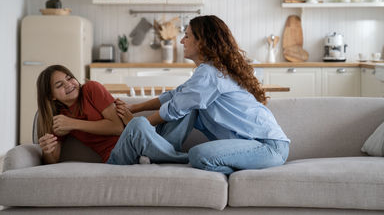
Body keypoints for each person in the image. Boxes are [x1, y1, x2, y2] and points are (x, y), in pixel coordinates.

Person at [117, 15, 290, 175]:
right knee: (186, 108)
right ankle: (156, 149)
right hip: (253, 144)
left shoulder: (209, 73)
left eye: (187, 36)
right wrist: (134, 108)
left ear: (202, 42)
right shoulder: (208, 71)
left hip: (267, 146)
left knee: (198, 154)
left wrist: (138, 127)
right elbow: (175, 95)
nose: (182, 40)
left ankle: (159, 155)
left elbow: (174, 108)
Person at [36, 64, 189, 165]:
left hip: (136, 139)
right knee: (138, 124)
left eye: (69, 78)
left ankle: (165, 154)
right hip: (116, 156)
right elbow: (52, 161)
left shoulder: (91, 89)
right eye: (59, 85)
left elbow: (117, 127)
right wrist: (46, 149)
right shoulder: (59, 117)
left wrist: (73, 123)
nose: (68, 84)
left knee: (187, 106)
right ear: (51, 96)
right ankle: (182, 159)